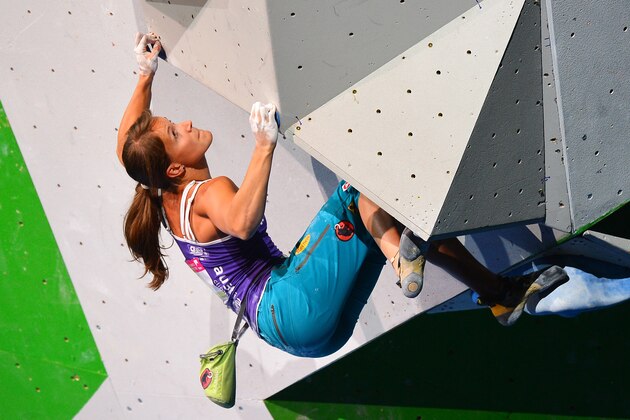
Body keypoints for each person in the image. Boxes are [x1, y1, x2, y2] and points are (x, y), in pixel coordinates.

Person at [118, 33, 568, 357]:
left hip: (302, 336)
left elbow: (128, 147)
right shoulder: (209, 193)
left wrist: (144, 76)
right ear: (175, 166)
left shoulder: (159, 191)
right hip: (289, 301)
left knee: (387, 213)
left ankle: (492, 292)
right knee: (358, 189)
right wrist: (263, 146)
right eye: (177, 131)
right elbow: (241, 222)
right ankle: (403, 260)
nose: (187, 123)